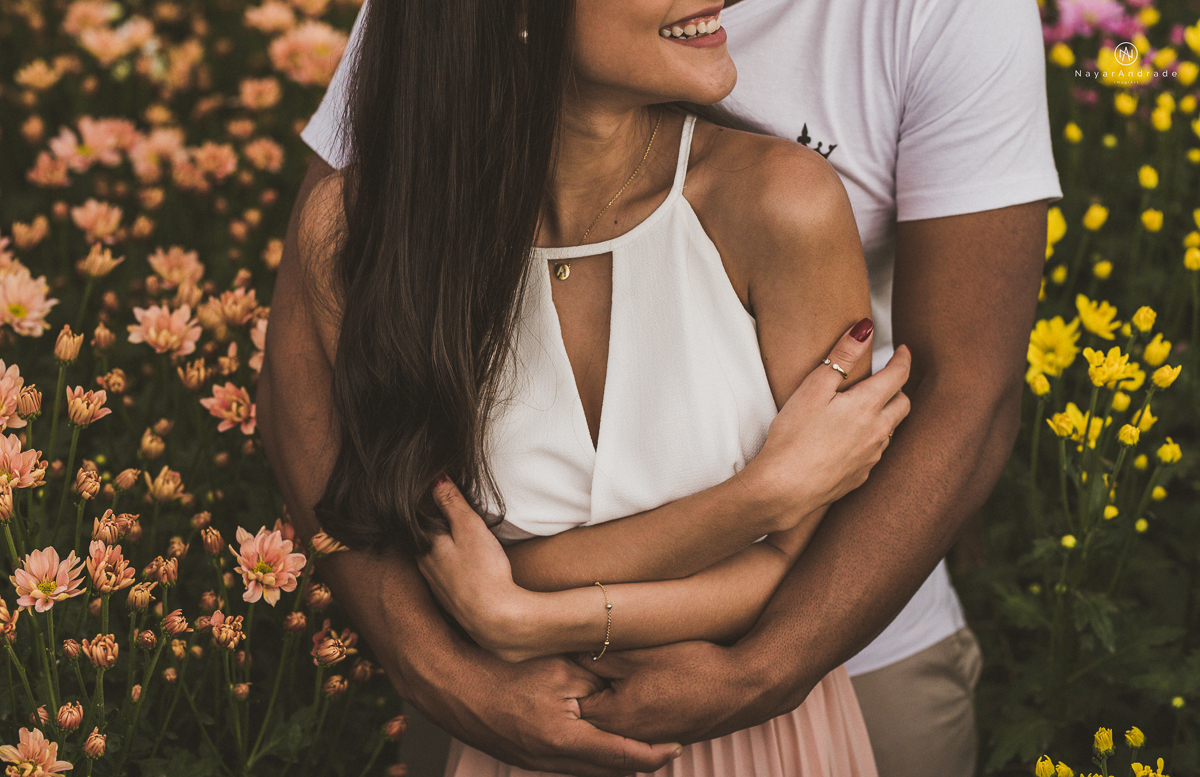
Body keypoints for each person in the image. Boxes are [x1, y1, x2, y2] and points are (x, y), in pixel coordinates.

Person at [264, 0, 1061, 775]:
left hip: (825, 662)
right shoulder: (384, 225)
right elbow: (364, 474)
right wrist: (444, 662)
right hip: (507, 719)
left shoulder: (786, 190)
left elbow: (960, 400)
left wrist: (523, 616)